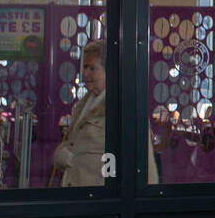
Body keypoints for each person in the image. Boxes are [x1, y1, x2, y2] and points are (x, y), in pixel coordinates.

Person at [53, 41, 158, 186]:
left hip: (101, 200)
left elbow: (143, 163)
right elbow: (79, 144)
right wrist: (62, 152)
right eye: (84, 67)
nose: (85, 73)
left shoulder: (124, 108)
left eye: (92, 68)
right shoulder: (84, 104)